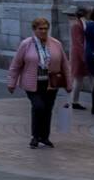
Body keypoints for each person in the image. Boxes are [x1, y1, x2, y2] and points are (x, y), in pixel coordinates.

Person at [8, 17, 70, 148]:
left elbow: (65, 64)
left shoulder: (55, 43)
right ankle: (35, 136)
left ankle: (44, 137)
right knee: (38, 107)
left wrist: (69, 83)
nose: (43, 31)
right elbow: (16, 65)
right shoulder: (26, 44)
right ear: (34, 30)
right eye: (40, 29)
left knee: (47, 109)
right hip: (32, 83)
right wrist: (11, 82)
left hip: (51, 83)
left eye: (46, 28)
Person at [66, 6, 89, 110]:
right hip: (79, 55)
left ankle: (74, 101)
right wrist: (83, 57)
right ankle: (73, 101)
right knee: (78, 78)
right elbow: (78, 43)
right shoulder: (77, 25)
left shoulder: (82, 24)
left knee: (79, 79)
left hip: (80, 54)